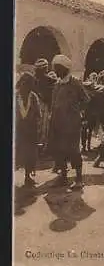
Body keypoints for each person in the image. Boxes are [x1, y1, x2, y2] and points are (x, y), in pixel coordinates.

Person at [47, 55, 89, 190]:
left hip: (72, 125)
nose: (56, 72)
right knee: (59, 150)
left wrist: (75, 111)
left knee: (74, 151)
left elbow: (85, 100)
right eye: (55, 69)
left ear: (65, 69)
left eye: (58, 69)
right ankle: (63, 177)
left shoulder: (75, 83)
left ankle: (78, 179)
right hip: (57, 124)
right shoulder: (57, 84)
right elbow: (53, 104)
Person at [15, 72, 42, 187]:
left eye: (29, 85)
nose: (26, 88)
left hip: (31, 131)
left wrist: (37, 129)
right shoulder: (15, 97)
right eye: (24, 84)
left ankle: (28, 176)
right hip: (18, 131)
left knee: (30, 154)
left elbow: (38, 115)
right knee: (16, 153)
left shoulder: (34, 97)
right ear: (20, 84)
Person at [33, 59, 57, 154]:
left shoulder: (34, 79)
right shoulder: (49, 80)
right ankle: (42, 149)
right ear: (45, 68)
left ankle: (37, 148)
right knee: (44, 127)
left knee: (38, 127)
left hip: (35, 105)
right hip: (44, 106)